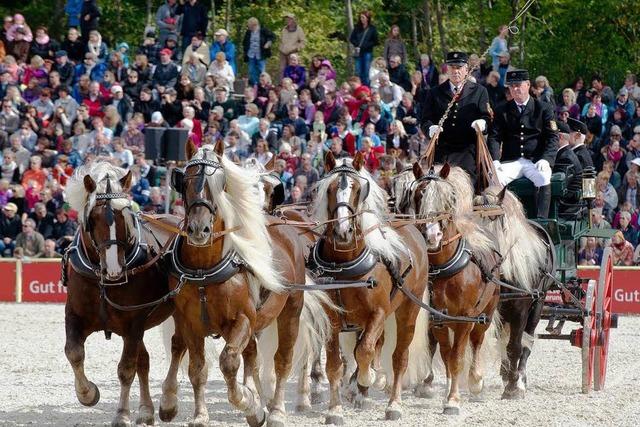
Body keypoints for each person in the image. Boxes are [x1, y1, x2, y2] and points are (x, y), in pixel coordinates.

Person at [490, 69, 559, 218]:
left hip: (535, 160)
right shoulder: (502, 109)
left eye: (518, 85)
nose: (515, 89)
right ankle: (500, 220)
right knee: (494, 178)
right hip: (511, 160)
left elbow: (553, 137)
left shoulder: (543, 109)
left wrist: (546, 159)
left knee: (543, 177)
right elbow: (494, 137)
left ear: (528, 85)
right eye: (511, 86)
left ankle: (542, 222)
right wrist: (495, 159)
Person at [420, 51, 491, 185]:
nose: (456, 71)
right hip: (442, 150)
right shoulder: (435, 92)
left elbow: (487, 117)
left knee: (466, 183)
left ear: (466, 70)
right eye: (452, 67)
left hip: (467, 150)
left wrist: (483, 123)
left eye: (459, 67)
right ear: (447, 69)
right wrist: (430, 128)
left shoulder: (479, 91)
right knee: (435, 185)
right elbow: (425, 119)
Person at [243, 17, 275, 86]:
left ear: (255, 25)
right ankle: (255, 85)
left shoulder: (263, 30)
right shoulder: (248, 32)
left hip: (261, 54)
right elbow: (245, 42)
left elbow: (272, 36)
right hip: (251, 54)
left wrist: (268, 43)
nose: (249, 28)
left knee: (261, 71)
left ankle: (263, 85)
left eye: (250, 26)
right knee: (251, 71)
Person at [349, 10, 378, 87]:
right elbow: (351, 39)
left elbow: (376, 41)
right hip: (358, 53)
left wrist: (364, 46)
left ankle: (366, 89)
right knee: (358, 71)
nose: (361, 19)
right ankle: (358, 88)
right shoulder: (357, 27)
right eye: (361, 17)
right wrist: (357, 45)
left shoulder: (372, 29)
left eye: (363, 17)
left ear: (367, 18)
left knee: (366, 72)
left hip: (367, 52)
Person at [278, 13, 305, 77]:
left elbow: (303, 42)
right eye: (286, 19)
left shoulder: (299, 29)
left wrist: (296, 49)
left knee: (292, 70)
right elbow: (281, 40)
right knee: (282, 70)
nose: (287, 21)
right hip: (283, 53)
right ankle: (281, 85)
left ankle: (292, 85)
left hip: (292, 53)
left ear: (293, 20)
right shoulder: (284, 29)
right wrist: (280, 48)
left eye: (289, 19)